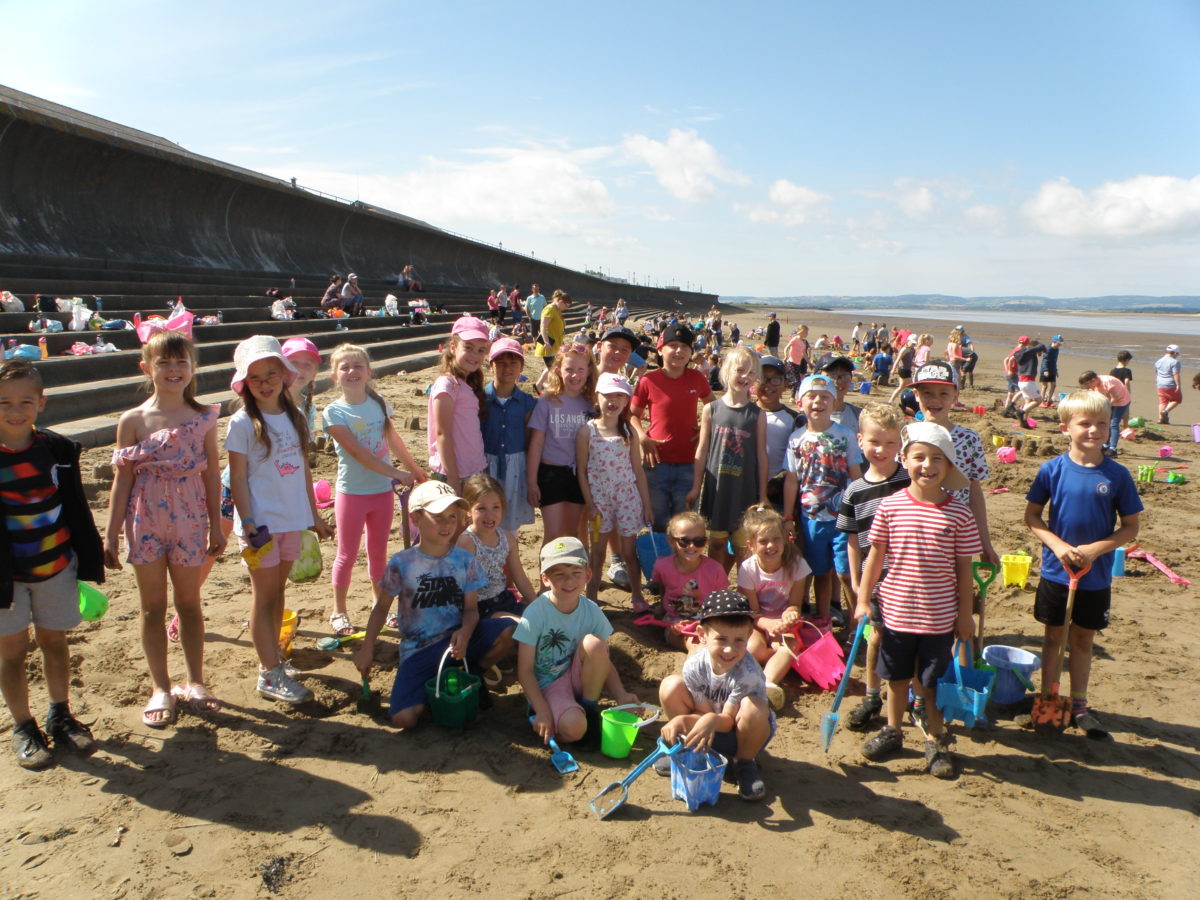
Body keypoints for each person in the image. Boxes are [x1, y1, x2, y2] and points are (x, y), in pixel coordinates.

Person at [105, 332, 224, 728]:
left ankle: (195, 681)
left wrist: (216, 526)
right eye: (164, 363)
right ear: (147, 368)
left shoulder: (204, 416)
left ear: (192, 367)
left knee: (189, 603)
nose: (174, 370)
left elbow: (212, 475)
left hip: (191, 518)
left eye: (181, 362)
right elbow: (121, 481)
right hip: (144, 519)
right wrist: (110, 534)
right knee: (152, 607)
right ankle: (161, 686)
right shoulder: (133, 420)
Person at [855, 421, 980, 778]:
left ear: (949, 467)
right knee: (895, 680)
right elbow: (874, 559)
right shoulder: (891, 507)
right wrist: (864, 601)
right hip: (894, 613)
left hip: (939, 618)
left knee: (930, 684)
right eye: (920, 457)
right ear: (905, 460)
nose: (928, 466)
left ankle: (935, 739)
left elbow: (964, 569)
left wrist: (965, 615)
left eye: (937, 459)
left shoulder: (959, 512)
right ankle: (893, 730)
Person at [1, 361, 105, 767]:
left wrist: (93, 552)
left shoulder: (57, 449)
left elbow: (76, 506)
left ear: (41, 403)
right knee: (11, 652)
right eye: (5, 401)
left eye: (25, 401)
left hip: (56, 567)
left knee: (55, 642)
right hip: (7, 579)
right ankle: (23, 725)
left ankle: (60, 714)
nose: (15, 409)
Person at [1024, 391, 1142, 741]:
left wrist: (1094, 551)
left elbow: (1131, 526)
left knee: (1083, 640)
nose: (1094, 430)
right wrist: (1058, 546)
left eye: (1102, 424)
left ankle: (1078, 705)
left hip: (1094, 575)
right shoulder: (1052, 470)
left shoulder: (1117, 475)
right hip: (1056, 570)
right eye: (1085, 423)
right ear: (1065, 428)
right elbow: (1032, 516)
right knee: (1052, 637)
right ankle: (1048, 697)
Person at [354, 481, 516, 729]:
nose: (447, 524)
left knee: (508, 629)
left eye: (452, 517)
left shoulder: (464, 560)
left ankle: (473, 671)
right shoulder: (402, 563)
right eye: (438, 517)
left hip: (457, 643)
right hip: (418, 650)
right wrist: (367, 648)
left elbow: (472, 610)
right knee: (403, 719)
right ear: (416, 518)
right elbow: (381, 609)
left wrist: (465, 632)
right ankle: (435, 686)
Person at [226, 336, 332, 704]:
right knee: (263, 596)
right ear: (244, 384)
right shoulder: (241, 423)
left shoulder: (296, 416)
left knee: (278, 594)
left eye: (272, 373)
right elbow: (237, 478)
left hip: (292, 520)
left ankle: (275, 658)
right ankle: (268, 673)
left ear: (285, 376)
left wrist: (313, 515)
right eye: (256, 377)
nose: (266, 382)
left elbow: (303, 468)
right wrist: (248, 519)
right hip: (262, 526)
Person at [323, 344, 425, 637]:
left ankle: (377, 604)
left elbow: (392, 439)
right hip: (351, 493)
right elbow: (357, 453)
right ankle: (339, 610)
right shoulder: (334, 412)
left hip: (381, 493)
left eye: (358, 366)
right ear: (334, 375)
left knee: (378, 552)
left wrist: (413, 467)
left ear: (368, 371)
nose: (352, 371)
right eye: (345, 367)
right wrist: (396, 473)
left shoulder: (378, 403)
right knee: (347, 553)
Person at [517, 537, 638, 748]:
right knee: (574, 729)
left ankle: (588, 709)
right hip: (548, 686)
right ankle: (564, 721)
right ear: (545, 578)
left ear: (588, 575)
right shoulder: (535, 613)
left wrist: (621, 695)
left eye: (575, 573)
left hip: (578, 677)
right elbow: (525, 670)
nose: (569, 581)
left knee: (595, 644)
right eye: (559, 574)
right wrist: (542, 710)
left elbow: (603, 660)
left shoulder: (591, 610)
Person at [836, 403, 911, 732]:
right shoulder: (854, 492)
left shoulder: (909, 480)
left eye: (891, 443)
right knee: (875, 637)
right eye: (874, 442)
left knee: (907, 638)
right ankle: (871, 694)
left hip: (909, 577)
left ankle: (912, 696)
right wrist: (855, 578)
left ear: (901, 444)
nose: (882, 450)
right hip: (875, 579)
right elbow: (853, 540)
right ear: (860, 441)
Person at [656, 589, 772, 801]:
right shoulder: (694, 665)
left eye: (739, 640)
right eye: (721, 639)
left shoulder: (749, 675)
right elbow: (702, 712)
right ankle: (688, 747)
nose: (730, 650)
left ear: (749, 636)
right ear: (702, 635)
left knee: (755, 706)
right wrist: (684, 720)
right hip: (708, 726)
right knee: (670, 685)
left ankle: (744, 763)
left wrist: (709, 720)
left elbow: (727, 723)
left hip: (741, 733)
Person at [782, 374, 864, 621]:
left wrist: (859, 512)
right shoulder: (796, 438)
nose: (818, 402)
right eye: (811, 396)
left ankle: (855, 621)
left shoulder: (845, 434)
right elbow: (791, 480)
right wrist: (788, 516)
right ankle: (824, 618)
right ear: (800, 402)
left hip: (843, 518)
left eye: (824, 397)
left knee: (845, 572)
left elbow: (856, 475)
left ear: (834, 400)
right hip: (811, 518)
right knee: (820, 572)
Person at [910, 361, 1000, 570]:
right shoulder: (907, 435)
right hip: (915, 529)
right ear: (916, 395)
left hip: (955, 530)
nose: (935, 400)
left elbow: (974, 494)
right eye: (927, 393)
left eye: (943, 393)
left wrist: (985, 544)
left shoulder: (969, 439)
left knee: (957, 585)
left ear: (955, 397)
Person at [688, 347, 768, 572]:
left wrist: (762, 495)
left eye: (752, 373)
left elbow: (761, 455)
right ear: (726, 371)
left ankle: (745, 595)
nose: (745, 377)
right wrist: (696, 486)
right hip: (717, 490)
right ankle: (716, 592)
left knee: (744, 549)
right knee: (716, 544)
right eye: (740, 370)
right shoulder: (711, 409)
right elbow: (702, 449)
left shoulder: (757, 414)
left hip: (745, 491)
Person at [631, 324, 716, 532]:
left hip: (689, 463)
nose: (679, 351)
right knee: (658, 523)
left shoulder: (697, 378)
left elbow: (714, 408)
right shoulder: (648, 380)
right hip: (655, 462)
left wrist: (704, 429)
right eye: (673, 345)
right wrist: (642, 436)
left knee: (684, 523)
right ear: (660, 349)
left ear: (690, 352)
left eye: (684, 347)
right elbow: (632, 414)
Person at [577, 373, 652, 608]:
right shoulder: (587, 431)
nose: (613, 400)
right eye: (608, 395)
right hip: (599, 502)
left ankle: (637, 595)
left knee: (629, 552)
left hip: (627, 500)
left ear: (627, 400)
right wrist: (590, 504)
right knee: (597, 553)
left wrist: (646, 505)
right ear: (597, 397)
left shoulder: (628, 432)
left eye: (619, 396)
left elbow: (638, 471)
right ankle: (591, 598)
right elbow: (581, 471)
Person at [737, 506, 809, 711]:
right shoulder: (748, 568)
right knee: (753, 649)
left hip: (784, 625)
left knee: (789, 646)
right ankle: (772, 660)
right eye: (763, 541)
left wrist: (790, 614)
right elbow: (751, 612)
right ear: (750, 545)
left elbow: (795, 603)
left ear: (785, 539)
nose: (771, 545)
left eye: (776, 539)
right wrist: (768, 624)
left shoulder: (797, 565)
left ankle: (766, 685)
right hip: (759, 623)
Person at [527, 342, 596, 544]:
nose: (575, 375)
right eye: (569, 370)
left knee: (572, 534)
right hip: (551, 473)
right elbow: (536, 444)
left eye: (580, 370)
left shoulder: (592, 403)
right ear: (558, 370)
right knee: (554, 535)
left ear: (589, 371)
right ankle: (547, 576)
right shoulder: (548, 400)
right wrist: (531, 482)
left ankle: (570, 576)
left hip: (579, 476)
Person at [457, 474, 536, 629]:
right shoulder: (467, 542)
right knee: (522, 628)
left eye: (496, 507)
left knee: (542, 622)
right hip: (480, 607)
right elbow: (468, 595)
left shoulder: (506, 537)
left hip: (504, 599)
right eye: (481, 508)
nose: (490, 515)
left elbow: (520, 577)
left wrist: (538, 606)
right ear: (468, 510)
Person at [429, 316, 492, 493]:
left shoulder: (466, 384)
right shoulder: (447, 385)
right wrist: (453, 478)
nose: (475, 355)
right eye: (468, 348)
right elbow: (442, 433)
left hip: (473, 470)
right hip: (454, 474)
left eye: (481, 350)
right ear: (453, 347)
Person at [482, 338, 537, 535]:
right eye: (501, 363)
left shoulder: (527, 402)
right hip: (486, 466)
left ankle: (508, 559)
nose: (507, 368)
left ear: (521, 366)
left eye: (513, 362)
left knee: (509, 527)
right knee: (484, 520)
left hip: (516, 467)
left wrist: (532, 478)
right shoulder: (480, 398)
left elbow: (531, 440)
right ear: (491, 365)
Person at [756, 356, 804, 514]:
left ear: (785, 385)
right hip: (747, 488)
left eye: (775, 380)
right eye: (763, 378)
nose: (768, 385)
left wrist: (774, 485)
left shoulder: (795, 419)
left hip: (779, 492)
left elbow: (797, 460)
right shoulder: (744, 414)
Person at [1078, 370, 1131, 457]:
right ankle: (1106, 445)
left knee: (1114, 423)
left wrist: (1106, 406)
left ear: (1093, 380)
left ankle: (1113, 449)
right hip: (1111, 400)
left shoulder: (1107, 382)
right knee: (1106, 422)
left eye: (1088, 385)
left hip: (1122, 401)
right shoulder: (1095, 384)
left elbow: (1115, 399)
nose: (1088, 388)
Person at [534, 290, 570, 392]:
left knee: (552, 367)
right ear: (561, 301)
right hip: (549, 346)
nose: (566, 308)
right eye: (566, 305)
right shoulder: (549, 309)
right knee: (555, 370)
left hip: (556, 346)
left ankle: (538, 385)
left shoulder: (557, 310)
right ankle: (554, 390)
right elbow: (543, 327)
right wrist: (546, 342)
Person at [1011, 336, 1048, 428]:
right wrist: (1043, 348)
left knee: (1028, 401)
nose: (1040, 353)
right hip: (1028, 382)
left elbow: (1012, 358)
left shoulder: (1021, 353)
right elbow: (1041, 346)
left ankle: (1023, 421)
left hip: (1021, 381)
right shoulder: (1030, 354)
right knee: (1038, 400)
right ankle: (1021, 412)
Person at [1154, 344, 1183, 425]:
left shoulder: (1158, 361)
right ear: (1174, 353)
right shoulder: (1175, 362)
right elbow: (1176, 374)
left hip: (1160, 384)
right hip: (1170, 384)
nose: (1178, 355)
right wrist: (1178, 385)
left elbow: (1157, 372)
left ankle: (1161, 419)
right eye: (1177, 354)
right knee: (1177, 399)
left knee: (1162, 402)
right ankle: (1165, 411)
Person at [889, 336, 918, 405]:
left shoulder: (912, 350)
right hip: (903, 370)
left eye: (914, 344)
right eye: (912, 343)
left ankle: (891, 400)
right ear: (908, 341)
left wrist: (916, 365)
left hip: (907, 370)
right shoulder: (904, 349)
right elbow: (897, 360)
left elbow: (910, 361)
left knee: (902, 387)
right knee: (911, 386)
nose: (913, 345)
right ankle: (914, 401)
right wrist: (893, 369)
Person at [783, 326, 811, 395]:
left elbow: (804, 354)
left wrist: (809, 363)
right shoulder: (795, 339)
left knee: (797, 381)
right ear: (801, 332)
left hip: (798, 364)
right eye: (806, 332)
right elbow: (786, 347)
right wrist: (786, 356)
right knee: (795, 381)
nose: (807, 334)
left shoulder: (804, 342)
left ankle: (792, 396)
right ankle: (791, 397)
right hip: (791, 362)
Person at [1109, 351, 1134, 426]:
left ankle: (1110, 424)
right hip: (1123, 392)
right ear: (1126, 360)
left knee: (1113, 409)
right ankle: (1125, 426)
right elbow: (1126, 381)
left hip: (1114, 392)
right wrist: (1128, 392)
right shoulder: (1127, 371)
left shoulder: (1113, 371)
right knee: (1126, 409)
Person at [1040, 335, 1063, 406]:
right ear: (1054, 342)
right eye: (1058, 343)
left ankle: (1049, 401)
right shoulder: (1048, 349)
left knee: (1053, 385)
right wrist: (1045, 370)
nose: (1060, 344)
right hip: (1046, 370)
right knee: (1044, 386)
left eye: (1061, 343)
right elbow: (1045, 360)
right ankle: (1042, 401)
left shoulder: (1057, 350)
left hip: (1053, 370)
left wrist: (1056, 371)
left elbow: (1054, 361)